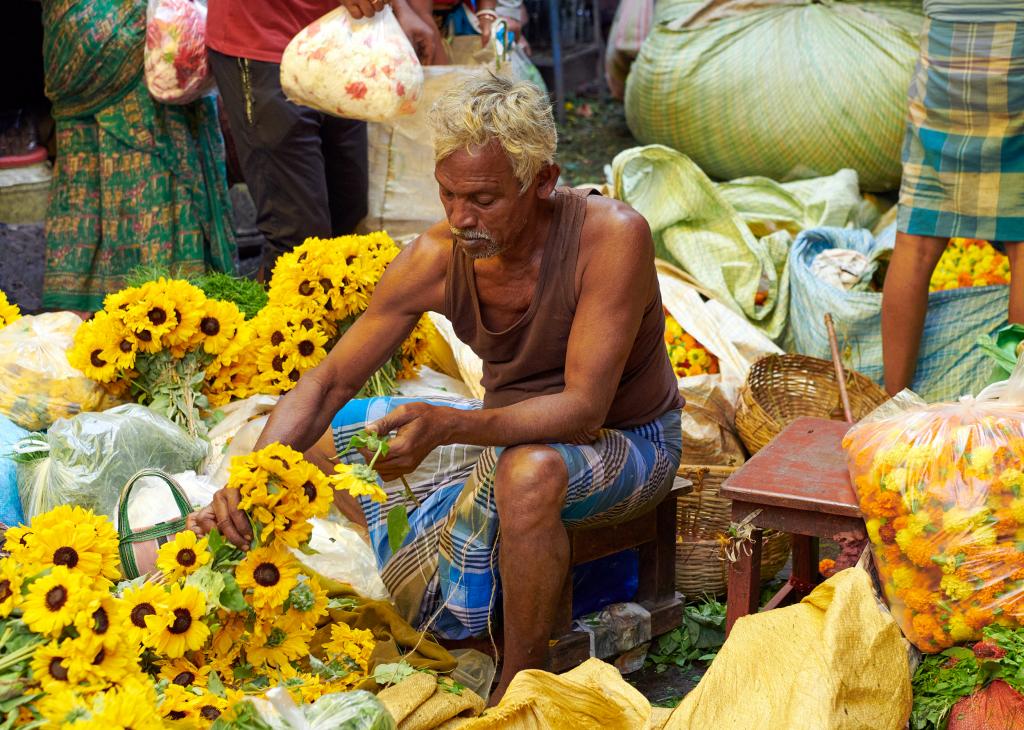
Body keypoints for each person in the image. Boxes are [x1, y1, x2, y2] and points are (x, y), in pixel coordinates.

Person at [190, 73, 683, 702]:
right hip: (502, 432)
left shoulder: (610, 237)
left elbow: (583, 412)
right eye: (448, 194)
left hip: (630, 440)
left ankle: (521, 683)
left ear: (543, 180)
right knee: (330, 442)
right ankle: (442, 581)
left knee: (526, 476)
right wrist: (251, 476)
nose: (460, 217)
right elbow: (330, 379)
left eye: (484, 199)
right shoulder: (436, 253)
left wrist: (450, 424)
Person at [206, 0, 444, 275]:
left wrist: (400, 8)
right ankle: (287, 315)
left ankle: (330, 311)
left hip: (342, 40)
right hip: (265, 40)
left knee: (348, 209)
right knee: (299, 235)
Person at [41, 0, 236, 312]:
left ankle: (164, 312)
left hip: (129, 40)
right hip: (100, 38)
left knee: (152, 166)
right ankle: (154, 308)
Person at [881, 0, 1024, 395]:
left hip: (945, 61)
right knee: (1022, 239)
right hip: (1016, 56)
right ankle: (1014, 407)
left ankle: (893, 403)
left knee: (916, 241)